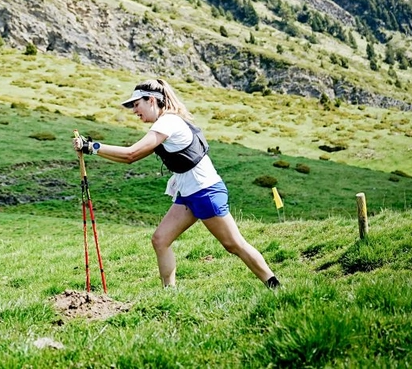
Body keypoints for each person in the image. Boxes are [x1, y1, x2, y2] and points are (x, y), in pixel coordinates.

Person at [73, 78, 281, 289]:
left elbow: (131, 154)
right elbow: (130, 158)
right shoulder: (164, 123)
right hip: (188, 193)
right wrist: (92, 149)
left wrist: (93, 147)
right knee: (160, 240)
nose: (134, 111)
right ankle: (169, 294)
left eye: (137, 105)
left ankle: (274, 286)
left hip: (205, 191)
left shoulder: (167, 123)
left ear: (152, 100)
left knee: (234, 245)